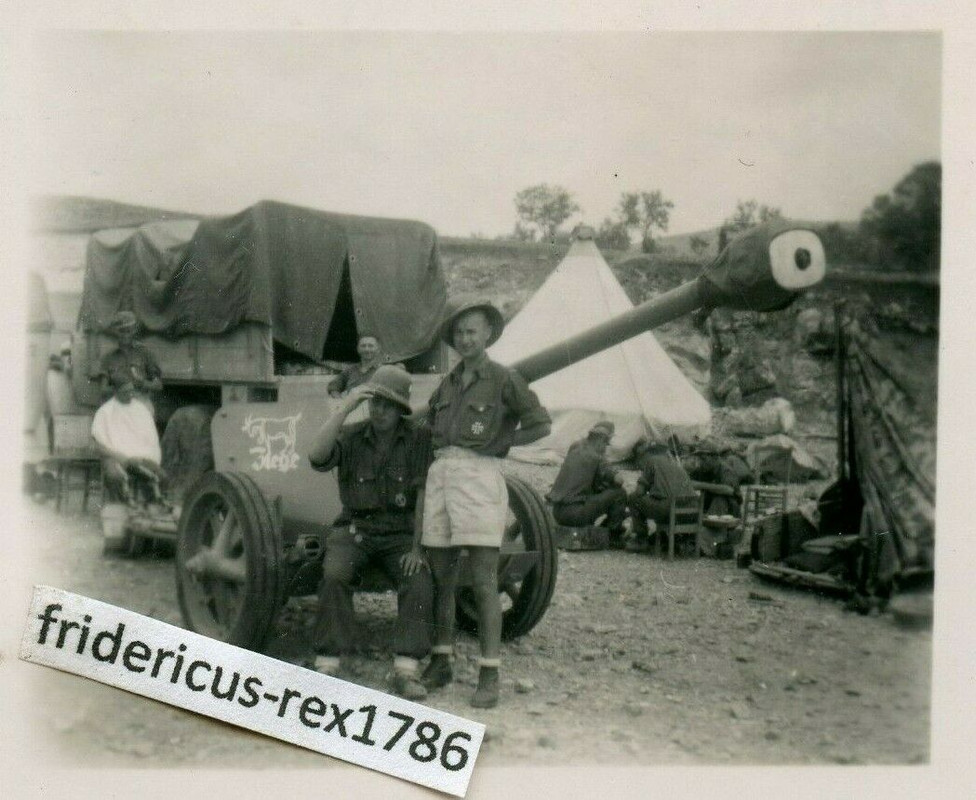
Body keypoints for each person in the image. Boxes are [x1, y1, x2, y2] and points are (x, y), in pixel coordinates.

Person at [419, 298, 551, 708]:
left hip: (479, 476)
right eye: (459, 332)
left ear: (488, 334)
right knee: (441, 575)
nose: (465, 338)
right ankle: (441, 660)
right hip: (442, 474)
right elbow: (424, 423)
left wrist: (503, 442)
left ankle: (488, 673)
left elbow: (540, 423)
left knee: (482, 578)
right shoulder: (448, 382)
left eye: (472, 330)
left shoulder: (503, 379)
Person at [308, 365, 434, 701]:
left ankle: (407, 668)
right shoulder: (351, 435)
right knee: (334, 574)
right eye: (374, 402)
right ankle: (328, 662)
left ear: (400, 409)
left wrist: (417, 548)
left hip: (399, 535)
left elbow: (423, 495)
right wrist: (345, 408)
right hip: (355, 529)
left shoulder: (418, 438)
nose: (379, 410)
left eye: (388, 405)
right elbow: (316, 455)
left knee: (418, 579)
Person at [548, 421, 630, 544]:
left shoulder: (575, 446)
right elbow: (619, 480)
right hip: (575, 515)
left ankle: (606, 530)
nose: (605, 447)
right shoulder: (597, 456)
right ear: (602, 440)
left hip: (558, 512)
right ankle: (614, 536)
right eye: (606, 444)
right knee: (619, 493)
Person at [91, 379, 164, 505]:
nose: (130, 395)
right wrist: (118, 456)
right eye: (126, 392)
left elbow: (150, 439)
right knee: (116, 478)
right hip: (114, 456)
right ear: (116, 392)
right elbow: (99, 445)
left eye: (132, 391)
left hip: (140, 457)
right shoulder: (105, 412)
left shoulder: (141, 409)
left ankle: (149, 512)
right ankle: (120, 512)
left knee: (162, 477)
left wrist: (144, 456)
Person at [627, 437, 698, 552]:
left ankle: (641, 540)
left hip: (670, 510)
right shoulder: (675, 462)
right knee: (662, 502)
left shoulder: (651, 461)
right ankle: (678, 541)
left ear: (649, 452)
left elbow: (639, 492)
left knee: (633, 498)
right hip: (691, 511)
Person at [97, 311, 163, 415]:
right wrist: (121, 389)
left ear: (134, 332)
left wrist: (142, 383)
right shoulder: (108, 357)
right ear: (115, 333)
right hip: (118, 404)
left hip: (140, 403)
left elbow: (158, 385)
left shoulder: (145, 353)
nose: (124, 335)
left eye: (128, 331)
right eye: (121, 331)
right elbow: (103, 390)